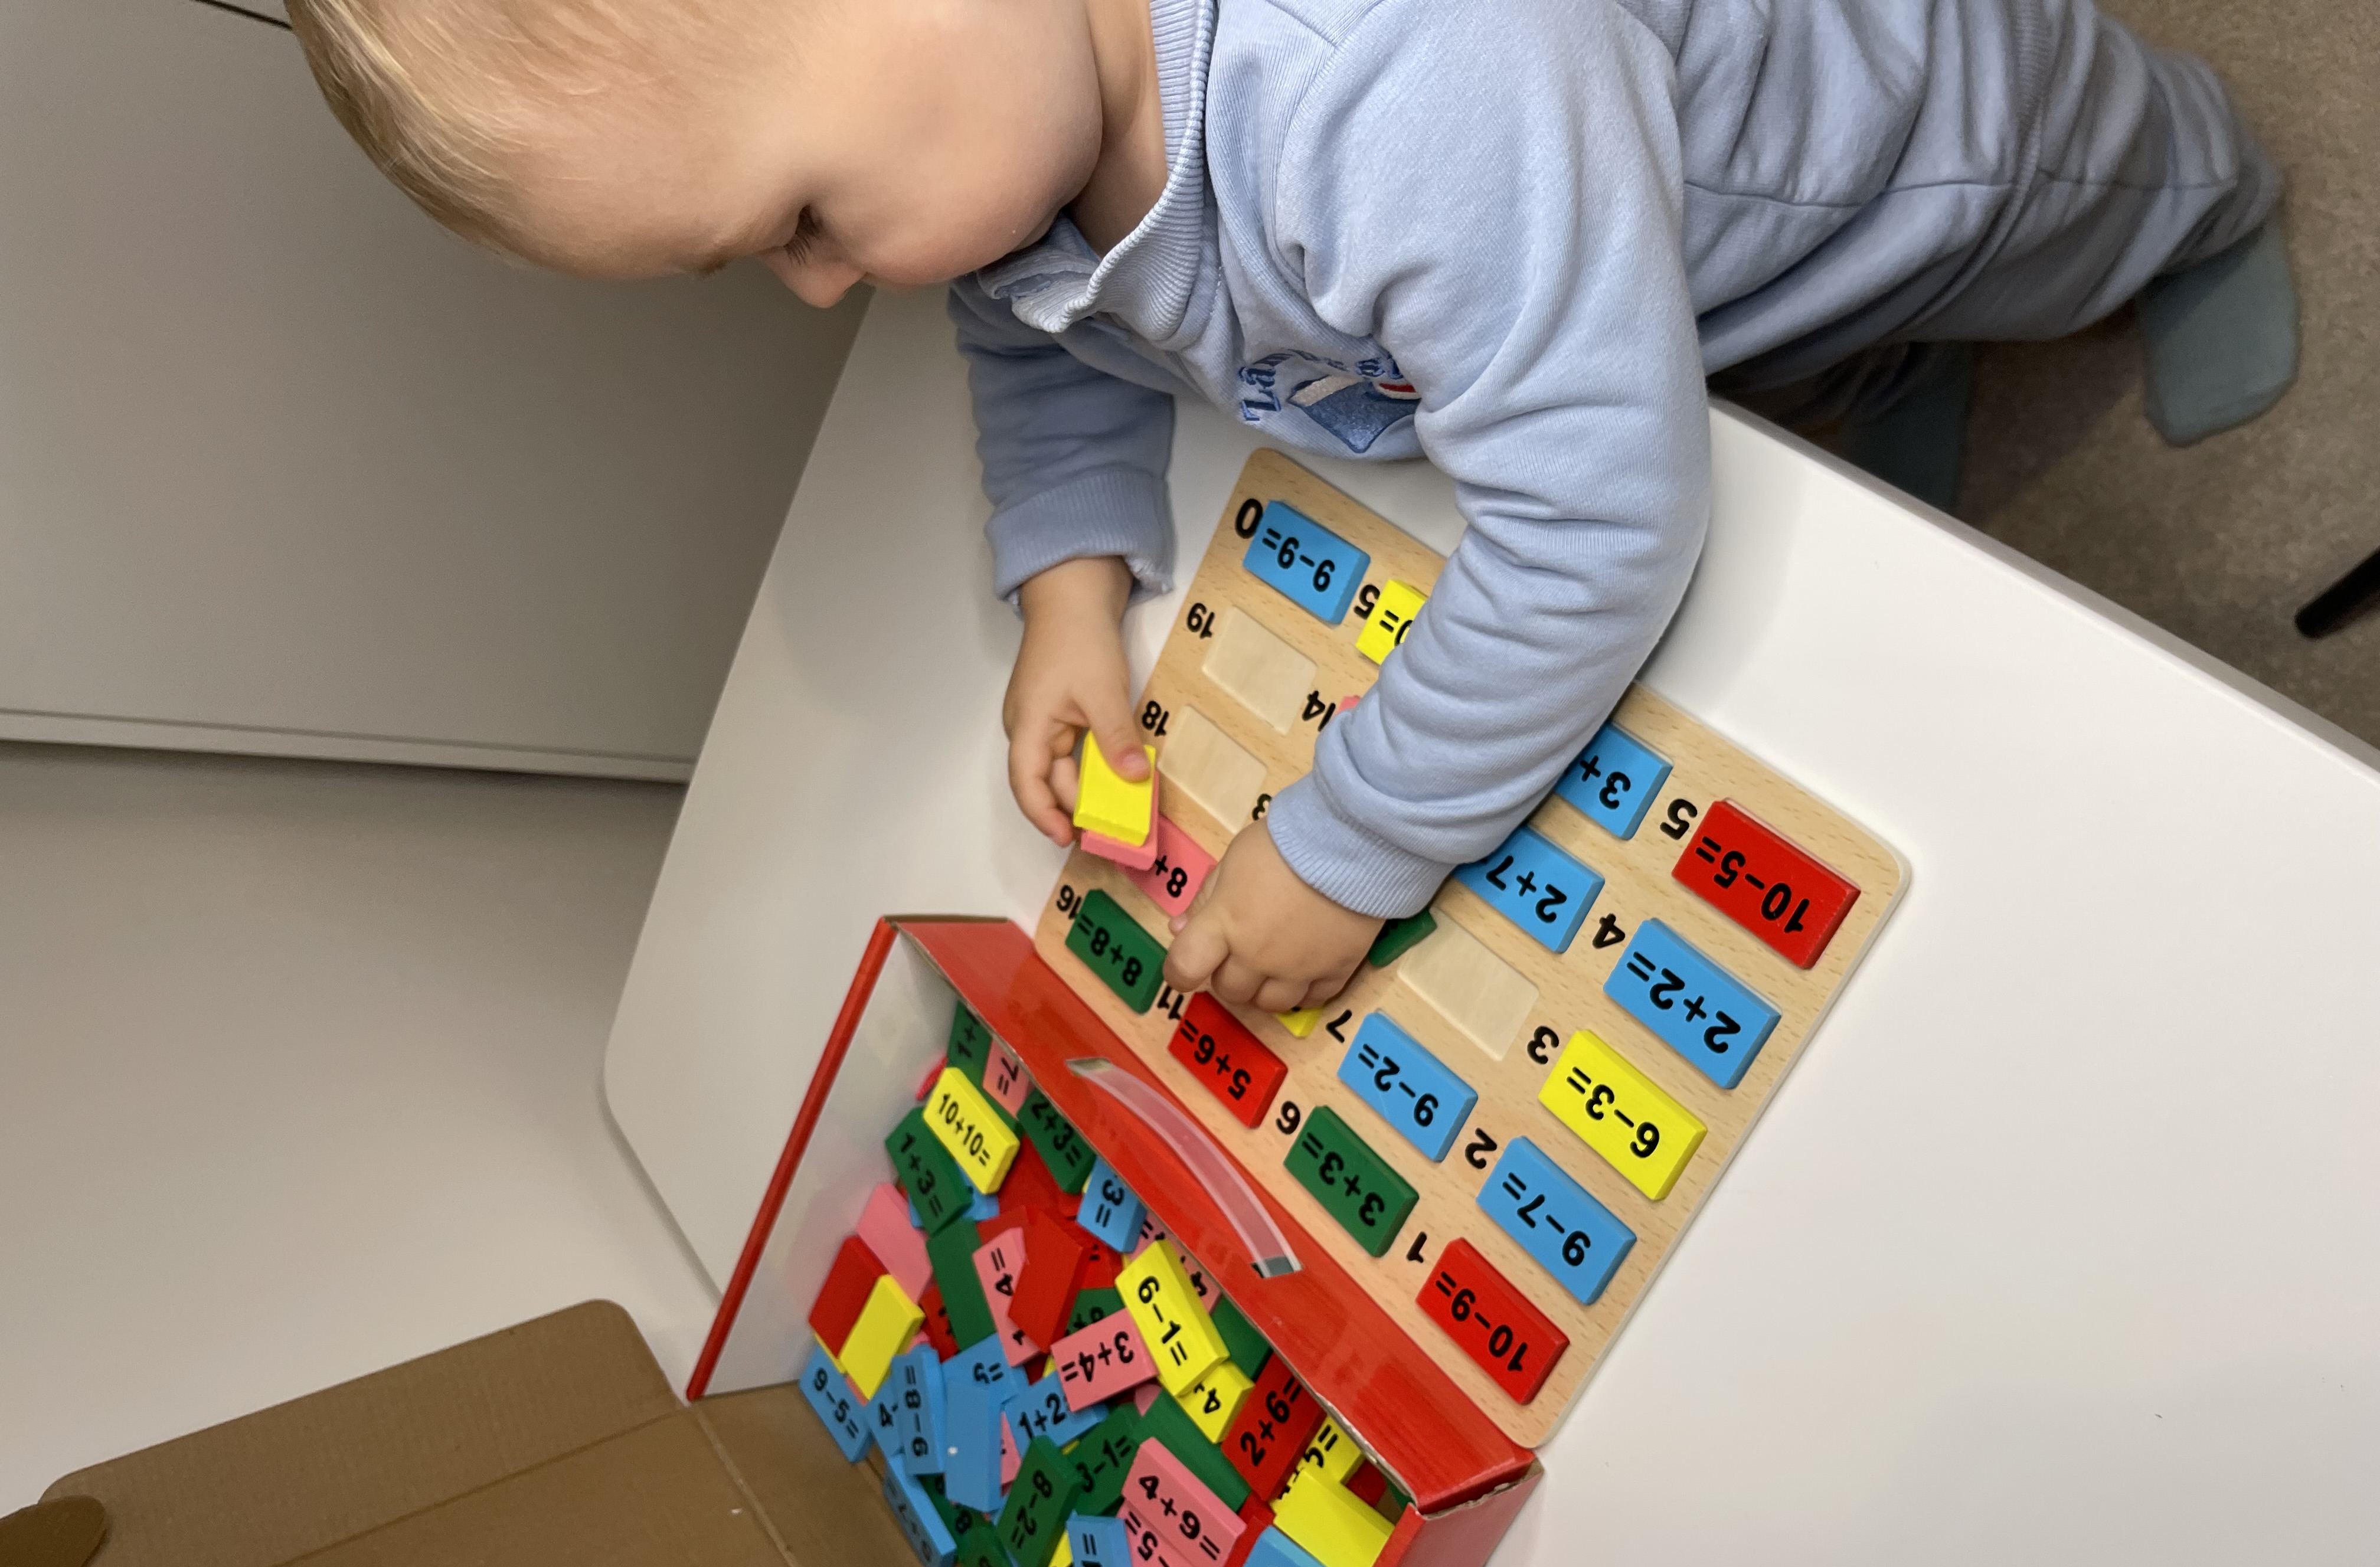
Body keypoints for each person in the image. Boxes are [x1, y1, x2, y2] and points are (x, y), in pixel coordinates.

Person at [285, 0, 2296, 1013]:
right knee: (1732, 384)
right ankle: (1887, 377)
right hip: (1625, 268)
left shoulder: (1395, 79)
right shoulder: (1003, 124)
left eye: (800, 221)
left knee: (2078, 191)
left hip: (1885, 161)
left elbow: (1599, 525)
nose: (824, 289)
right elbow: (1038, 327)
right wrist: (1069, 584)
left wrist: (1357, 844)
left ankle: (2223, 199)